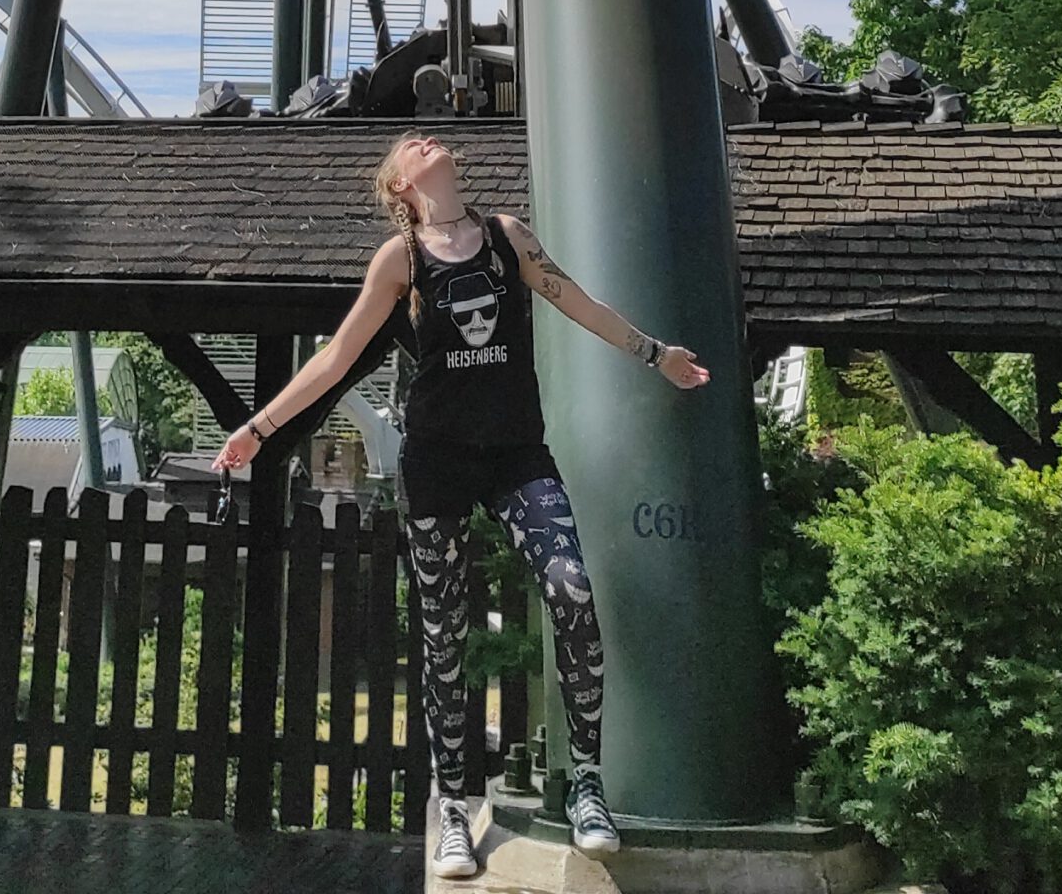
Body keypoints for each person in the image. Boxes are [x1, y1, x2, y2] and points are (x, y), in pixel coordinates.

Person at [211, 131, 710, 880]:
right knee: (445, 639)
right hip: (436, 463)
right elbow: (335, 358)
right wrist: (257, 430)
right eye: (410, 146)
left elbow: (579, 302)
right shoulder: (400, 260)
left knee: (571, 589)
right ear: (401, 185)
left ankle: (586, 785)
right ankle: (450, 804)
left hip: (517, 457)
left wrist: (655, 354)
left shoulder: (507, 238)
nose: (424, 140)